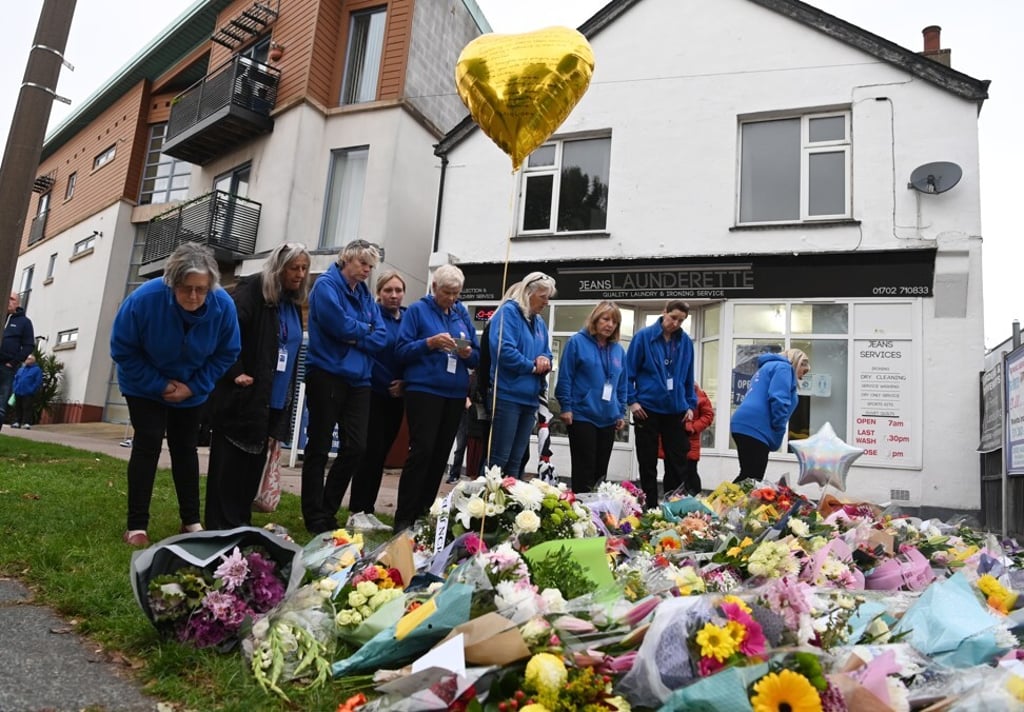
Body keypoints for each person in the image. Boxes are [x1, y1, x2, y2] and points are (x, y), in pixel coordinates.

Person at [110, 243, 241, 546]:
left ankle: (191, 520)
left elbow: (227, 352)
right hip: (143, 384)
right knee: (149, 441)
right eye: (186, 289)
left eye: (201, 289)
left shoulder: (223, 306)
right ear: (171, 283)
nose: (194, 297)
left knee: (185, 447)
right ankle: (136, 525)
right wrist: (159, 385)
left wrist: (193, 387)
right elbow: (122, 349)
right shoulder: (144, 300)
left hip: (191, 385)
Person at [205, 242, 310, 530]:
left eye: (304, 268)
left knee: (253, 464)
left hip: (273, 399)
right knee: (230, 463)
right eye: (294, 268)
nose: (300, 274)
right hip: (244, 394)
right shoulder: (252, 291)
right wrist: (235, 372)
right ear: (279, 267)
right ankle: (220, 524)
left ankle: (240, 521)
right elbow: (226, 332)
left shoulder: (290, 302)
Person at [301, 239, 387, 535]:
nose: (367, 270)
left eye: (371, 266)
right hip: (327, 373)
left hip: (359, 378)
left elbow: (382, 336)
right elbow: (338, 326)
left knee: (356, 447)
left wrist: (357, 334)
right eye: (363, 264)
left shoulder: (363, 293)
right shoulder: (326, 286)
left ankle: (328, 506)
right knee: (319, 446)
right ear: (346, 259)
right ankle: (314, 515)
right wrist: (364, 331)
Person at [392, 264, 479, 531]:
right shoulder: (418, 310)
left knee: (441, 453)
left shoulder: (461, 313)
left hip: (454, 393)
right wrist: (429, 343)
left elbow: (477, 355)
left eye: (456, 293)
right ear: (434, 287)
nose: (452, 298)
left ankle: (424, 512)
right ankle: (404, 516)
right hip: (425, 390)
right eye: (447, 292)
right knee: (422, 451)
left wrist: (467, 354)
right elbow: (401, 350)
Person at [348, 270, 408, 532]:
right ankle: (356, 510)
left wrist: (404, 383)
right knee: (368, 452)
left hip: (397, 395)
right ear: (379, 293)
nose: (394, 295)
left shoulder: (406, 319)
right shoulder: (372, 316)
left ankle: (368, 510)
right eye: (388, 290)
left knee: (381, 453)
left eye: (398, 290)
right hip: (371, 391)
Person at [626, 300, 696, 509]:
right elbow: (628, 373)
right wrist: (632, 401)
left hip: (676, 410)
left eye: (681, 320)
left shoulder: (685, 343)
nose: (675, 323)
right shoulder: (643, 337)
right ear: (663, 312)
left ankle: (672, 506)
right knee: (647, 462)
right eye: (673, 317)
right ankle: (649, 506)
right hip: (646, 409)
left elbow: (688, 377)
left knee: (677, 462)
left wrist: (690, 405)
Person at [487, 272, 555, 478]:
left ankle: (509, 507)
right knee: (500, 459)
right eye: (543, 297)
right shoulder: (507, 313)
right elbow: (504, 350)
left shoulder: (539, 322)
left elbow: (547, 352)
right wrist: (532, 367)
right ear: (529, 292)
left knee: (517, 460)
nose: (546, 302)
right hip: (507, 395)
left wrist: (545, 360)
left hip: (530, 398)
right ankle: (488, 506)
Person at [556, 301, 627, 493]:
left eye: (614, 322)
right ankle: (581, 511)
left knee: (600, 470)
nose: (610, 324)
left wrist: (621, 411)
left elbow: (622, 384)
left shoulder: (619, 351)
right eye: (605, 319)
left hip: (608, 417)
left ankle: (597, 514)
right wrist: (566, 406)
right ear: (595, 320)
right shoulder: (576, 342)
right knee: (584, 467)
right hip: (582, 415)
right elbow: (565, 376)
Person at [731, 348, 810, 483]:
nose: (803, 376)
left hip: (742, 424)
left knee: (747, 475)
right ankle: (722, 503)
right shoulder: (784, 368)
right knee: (752, 478)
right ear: (797, 363)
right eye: (804, 370)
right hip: (756, 427)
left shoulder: (766, 368)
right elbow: (779, 399)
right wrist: (779, 429)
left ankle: (723, 501)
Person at [0, 292, 34, 432]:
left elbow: (28, 345)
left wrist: (13, 362)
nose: (8, 301)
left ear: (18, 303)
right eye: (6, 297)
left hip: (7, 367)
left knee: (1, 403)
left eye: (12, 299)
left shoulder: (24, 322)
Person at [682, 382, 715, 495]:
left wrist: (692, 427)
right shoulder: (676, 391)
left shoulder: (700, 396)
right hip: (675, 440)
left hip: (691, 441)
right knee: (677, 472)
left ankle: (695, 498)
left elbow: (708, 416)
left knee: (690, 471)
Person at [11, 353, 43, 429]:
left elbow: (38, 381)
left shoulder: (37, 370)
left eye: (29, 359)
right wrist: (14, 388)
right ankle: (17, 422)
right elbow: (16, 379)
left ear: (33, 361)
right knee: (18, 407)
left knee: (27, 408)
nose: (27, 360)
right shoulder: (21, 369)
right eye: (26, 359)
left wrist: (31, 390)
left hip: (28, 392)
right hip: (18, 391)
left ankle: (26, 423)